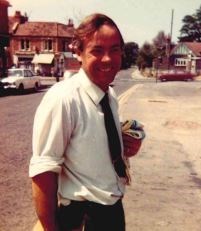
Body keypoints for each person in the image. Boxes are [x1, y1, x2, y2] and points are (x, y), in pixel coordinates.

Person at [29, 13, 142, 231]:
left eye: (115, 50)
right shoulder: (63, 98)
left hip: (111, 211)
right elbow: (43, 173)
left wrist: (128, 145)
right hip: (82, 218)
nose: (108, 59)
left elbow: (96, 147)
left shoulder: (108, 95)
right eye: (97, 51)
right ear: (79, 53)